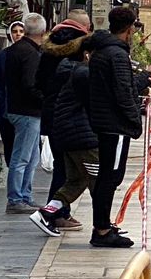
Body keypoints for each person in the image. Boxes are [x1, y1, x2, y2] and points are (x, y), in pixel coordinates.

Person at [84, 7, 146, 250]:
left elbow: (123, 85)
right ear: (129, 28)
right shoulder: (117, 54)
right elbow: (122, 92)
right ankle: (102, 229)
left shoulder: (102, 50)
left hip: (105, 121)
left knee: (107, 176)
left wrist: (143, 80)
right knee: (110, 177)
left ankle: (103, 225)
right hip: (115, 124)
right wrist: (134, 120)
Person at [31, 37, 101, 235]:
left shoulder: (69, 70)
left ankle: (46, 212)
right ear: (87, 54)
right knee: (98, 181)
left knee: (76, 181)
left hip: (67, 136)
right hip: (82, 138)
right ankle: (103, 227)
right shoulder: (83, 74)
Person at [0, 15, 46, 214]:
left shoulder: (14, 50)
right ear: (42, 33)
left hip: (17, 108)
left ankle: (25, 195)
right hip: (28, 111)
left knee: (31, 156)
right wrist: (46, 99)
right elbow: (30, 84)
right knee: (23, 157)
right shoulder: (31, 54)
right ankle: (16, 197)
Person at [0, 20, 24, 170]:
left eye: (21, 31)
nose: (18, 34)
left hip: (28, 109)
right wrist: (0, 99)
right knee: (9, 142)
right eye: (15, 31)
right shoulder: (1, 57)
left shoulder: (34, 54)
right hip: (6, 109)